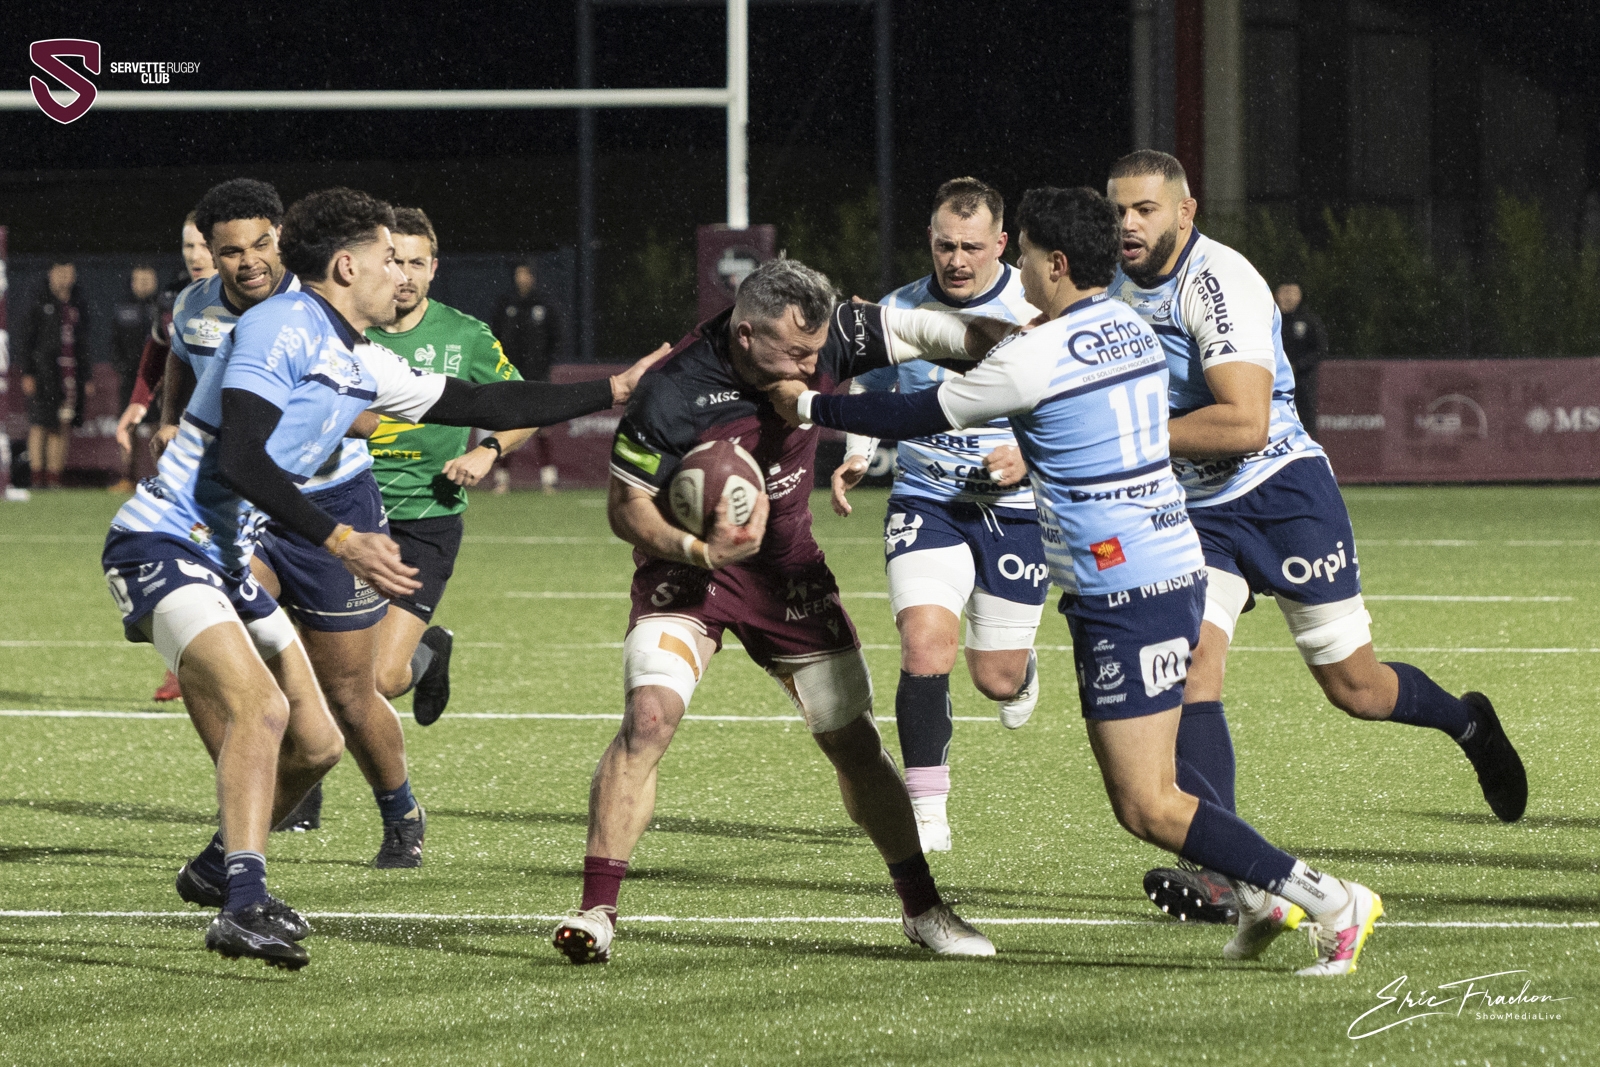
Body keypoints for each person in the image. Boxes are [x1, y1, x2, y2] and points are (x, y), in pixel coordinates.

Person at [778, 186, 1386, 977]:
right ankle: (1259, 898)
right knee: (1156, 791)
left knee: (1147, 802)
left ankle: (1333, 899)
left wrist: (805, 403)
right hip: (1163, 571)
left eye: (1027, 253)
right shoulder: (1127, 324)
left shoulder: (1036, 356)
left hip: (1126, 591)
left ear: (1055, 263)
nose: (1019, 268)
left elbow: (916, 413)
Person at [99, 185, 662, 969]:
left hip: (224, 555)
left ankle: (214, 866)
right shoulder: (280, 325)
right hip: (163, 542)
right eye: (388, 258)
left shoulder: (359, 358)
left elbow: (481, 398)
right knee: (262, 706)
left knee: (320, 745)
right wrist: (342, 539)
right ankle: (243, 903)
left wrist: (614, 389)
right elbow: (242, 457)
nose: (401, 272)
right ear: (346, 266)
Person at [551, 257, 1013, 966]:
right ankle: (596, 910)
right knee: (649, 718)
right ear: (745, 334)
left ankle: (923, 908)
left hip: (787, 573)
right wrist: (697, 548)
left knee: (851, 741)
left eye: (816, 351)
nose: (810, 367)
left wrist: (1021, 343)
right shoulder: (671, 390)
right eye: (795, 354)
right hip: (688, 570)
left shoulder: (833, 335)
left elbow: (944, 333)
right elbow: (625, 507)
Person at [1105, 150, 1526, 929]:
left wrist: (1124, 441)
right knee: (1192, 669)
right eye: (1119, 210)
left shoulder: (1221, 282)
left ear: (1185, 212)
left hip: (1281, 495)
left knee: (1356, 688)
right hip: (1196, 511)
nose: (1128, 223)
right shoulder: (1117, 285)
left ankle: (1468, 721)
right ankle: (1229, 876)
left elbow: (1245, 423)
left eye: (1145, 209)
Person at [830, 178, 1045, 853]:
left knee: (995, 677)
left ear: (1001, 244)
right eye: (945, 245)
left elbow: (1073, 399)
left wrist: (1031, 454)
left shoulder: (1036, 307)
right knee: (924, 644)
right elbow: (869, 385)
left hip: (1017, 511)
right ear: (930, 239)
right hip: (927, 501)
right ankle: (927, 810)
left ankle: (1022, 671)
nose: (956, 260)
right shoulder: (898, 309)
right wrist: (858, 452)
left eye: (971, 247)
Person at [363, 207, 537, 723]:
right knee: (321, 669)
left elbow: (524, 407)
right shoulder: (346, 328)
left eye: (417, 264)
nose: (405, 276)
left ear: (434, 269)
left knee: (381, 679)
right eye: (395, 262)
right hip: (349, 517)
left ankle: (429, 652)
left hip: (426, 522)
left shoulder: (465, 335)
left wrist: (489, 450)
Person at [115, 212, 218, 704]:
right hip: (186, 445)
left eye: (203, 245)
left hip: (242, 447)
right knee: (180, 546)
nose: (195, 255)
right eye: (187, 245)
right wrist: (141, 405)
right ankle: (185, 661)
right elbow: (157, 353)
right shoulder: (177, 298)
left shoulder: (260, 300)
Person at [17, 260, 90, 489]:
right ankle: (36, 477)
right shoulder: (38, 302)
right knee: (40, 424)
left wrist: (86, 376)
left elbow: (84, 344)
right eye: (60, 273)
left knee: (62, 423)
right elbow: (26, 340)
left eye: (69, 273)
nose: (64, 278)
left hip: (69, 375)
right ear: (51, 274)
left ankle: (54, 478)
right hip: (44, 374)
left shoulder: (78, 304)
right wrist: (28, 372)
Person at [492, 260, 564, 491]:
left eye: (525, 274)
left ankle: (549, 480)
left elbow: (555, 337)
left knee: (542, 427)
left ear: (532, 277)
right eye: (518, 274)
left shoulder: (544, 304)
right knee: (508, 425)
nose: (521, 278)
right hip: (510, 375)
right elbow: (494, 335)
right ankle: (502, 479)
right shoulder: (506, 303)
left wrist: (543, 365)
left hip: (537, 377)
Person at [108, 264, 161, 493]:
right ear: (132, 282)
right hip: (130, 378)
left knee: (159, 427)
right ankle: (127, 477)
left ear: (155, 281)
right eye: (139, 280)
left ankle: (164, 476)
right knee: (129, 425)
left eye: (147, 279)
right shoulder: (123, 308)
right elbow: (114, 341)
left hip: (159, 379)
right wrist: (121, 365)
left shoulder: (162, 307)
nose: (143, 284)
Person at [1275, 282, 1328, 438]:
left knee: (1306, 420)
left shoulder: (1309, 319)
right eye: (1284, 292)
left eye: (1292, 292)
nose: (1288, 297)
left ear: (1299, 295)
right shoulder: (1271, 320)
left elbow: (1321, 349)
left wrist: (1297, 366)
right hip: (1275, 379)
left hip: (1303, 382)